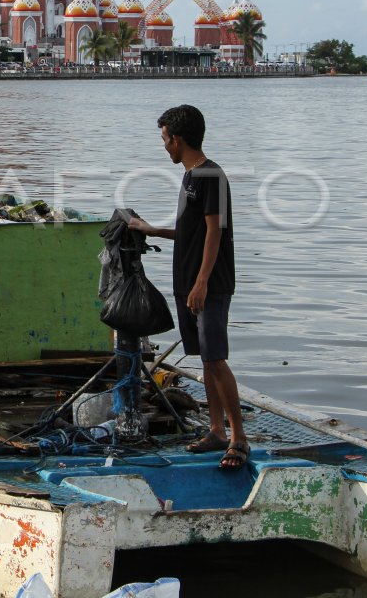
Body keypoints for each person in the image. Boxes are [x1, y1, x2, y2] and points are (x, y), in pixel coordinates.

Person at [127, 104, 246, 470]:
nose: (164, 147)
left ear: (177, 139)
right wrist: (150, 230)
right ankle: (215, 430)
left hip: (207, 284)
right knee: (205, 359)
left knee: (215, 358)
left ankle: (239, 438)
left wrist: (202, 282)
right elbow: (190, 233)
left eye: (165, 139)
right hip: (189, 283)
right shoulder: (190, 177)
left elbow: (215, 231)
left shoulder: (211, 175)